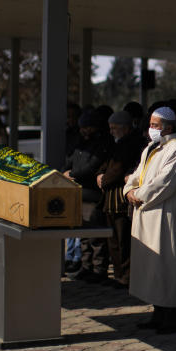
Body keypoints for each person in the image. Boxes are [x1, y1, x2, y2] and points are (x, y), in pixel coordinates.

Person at [123, 107, 176, 333]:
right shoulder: (151, 149)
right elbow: (136, 176)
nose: (151, 129)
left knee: (167, 266)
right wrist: (128, 191)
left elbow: (164, 183)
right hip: (146, 213)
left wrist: (139, 196)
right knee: (152, 267)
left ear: (169, 127)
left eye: (155, 125)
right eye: (150, 124)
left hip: (166, 215)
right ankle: (158, 313)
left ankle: (173, 317)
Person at [96, 110, 146, 287]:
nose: (111, 131)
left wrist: (104, 180)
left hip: (120, 199)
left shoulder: (131, 143)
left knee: (124, 240)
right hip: (110, 197)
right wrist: (100, 174)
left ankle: (126, 276)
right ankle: (119, 274)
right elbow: (106, 162)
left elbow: (118, 168)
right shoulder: (115, 143)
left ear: (124, 128)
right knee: (114, 240)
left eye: (114, 128)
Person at [64, 108, 113, 282]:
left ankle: (99, 269)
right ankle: (86, 266)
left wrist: (73, 174)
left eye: (87, 127)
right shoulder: (80, 143)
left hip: (93, 194)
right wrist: (67, 171)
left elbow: (92, 167)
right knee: (83, 233)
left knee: (96, 235)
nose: (84, 131)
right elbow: (70, 161)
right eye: (82, 127)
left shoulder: (101, 144)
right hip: (78, 193)